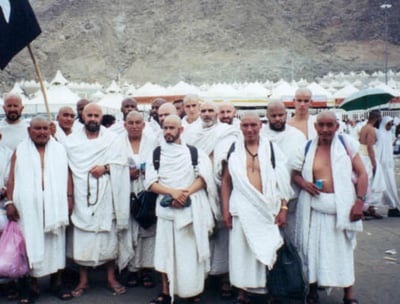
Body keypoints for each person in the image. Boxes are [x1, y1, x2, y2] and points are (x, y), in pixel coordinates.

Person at [292, 111, 368, 304]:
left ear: (336, 126)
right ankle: (312, 290)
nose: (325, 129)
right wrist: (304, 184)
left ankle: (348, 294)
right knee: (312, 250)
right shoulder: (307, 147)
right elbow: (294, 173)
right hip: (315, 208)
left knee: (343, 251)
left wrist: (359, 202)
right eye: (321, 125)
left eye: (329, 125)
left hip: (341, 209)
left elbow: (362, 174)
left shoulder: (347, 144)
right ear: (315, 127)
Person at [220, 112, 293, 304]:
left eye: (253, 125)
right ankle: (242, 293)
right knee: (241, 252)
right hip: (241, 209)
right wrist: (225, 211)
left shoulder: (273, 149)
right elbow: (226, 182)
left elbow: (283, 182)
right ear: (240, 127)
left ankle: (270, 291)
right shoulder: (233, 150)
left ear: (261, 125)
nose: (249, 129)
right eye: (245, 126)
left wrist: (284, 209)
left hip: (267, 209)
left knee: (269, 249)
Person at [145, 115, 217, 304]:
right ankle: (165, 291)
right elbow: (150, 182)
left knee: (189, 256)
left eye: (172, 128)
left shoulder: (194, 153)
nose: (168, 131)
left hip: (189, 211)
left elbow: (204, 178)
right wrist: (173, 193)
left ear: (181, 130)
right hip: (166, 211)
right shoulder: (156, 154)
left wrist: (184, 194)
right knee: (164, 254)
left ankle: (192, 291)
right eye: (165, 128)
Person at [66, 103, 130, 297]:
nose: (93, 118)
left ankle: (111, 278)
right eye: (89, 115)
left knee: (107, 236)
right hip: (81, 195)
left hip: (106, 195)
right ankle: (83, 280)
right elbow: (67, 169)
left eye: (96, 115)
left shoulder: (113, 139)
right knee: (82, 237)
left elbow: (122, 163)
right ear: (82, 117)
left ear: (101, 117)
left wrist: (106, 168)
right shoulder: (71, 141)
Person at [6, 116, 72, 302]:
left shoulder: (59, 149)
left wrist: (69, 197)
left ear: (50, 130)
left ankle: (57, 283)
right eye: (37, 128)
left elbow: (68, 175)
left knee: (56, 244)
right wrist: (9, 202)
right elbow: (11, 178)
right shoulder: (20, 150)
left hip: (55, 206)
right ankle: (32, 287)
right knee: (30, 243)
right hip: (27, 209)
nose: (42, 132)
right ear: (29, 131)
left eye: (45, 128)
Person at [184, 101, 240, 299]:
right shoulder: (190, 132)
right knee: (200, 231)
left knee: (223, 233)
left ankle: (225, 277)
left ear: (217, 114)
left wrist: (213, 164)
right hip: (197, 187)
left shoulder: (227, 132)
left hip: (220, 186)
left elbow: (228, 157)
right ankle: (203, 277)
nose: (207, 114)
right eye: (204, 111)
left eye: (211, 111)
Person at [261, 101, 307, 243]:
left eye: (281, 115)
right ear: (267, 116)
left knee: (290, 236)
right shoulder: (260, 135)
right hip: (266, 196)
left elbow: (303, 164)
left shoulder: (297, 136)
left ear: (286, 115)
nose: (277, 119)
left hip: (292, 194)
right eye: (273, 115)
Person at [123, 111, 158, 288]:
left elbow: (159, 163)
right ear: (125, 125)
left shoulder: (153, 142)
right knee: (129, 229)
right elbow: (112, 164)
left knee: (148, 229)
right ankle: (131, 269)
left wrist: (147, 173)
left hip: (147, 190)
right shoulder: (118, 143)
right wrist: (125, 173)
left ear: (144, 125)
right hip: (126, 190)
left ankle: (146, 270)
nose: (135, 126)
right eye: (131, 123)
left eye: (138, 122)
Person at [358, 109, 386, 219]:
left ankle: (369, 208)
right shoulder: (371, 130)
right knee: (369, 184)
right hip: (367, 159)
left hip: (363, 157)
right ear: (377, 118)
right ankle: (364, 209)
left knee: (368, 183)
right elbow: (370, 147)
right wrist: (374, 163)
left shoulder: (364, 127)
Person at [376, 116, 400, 217]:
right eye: (388, 124)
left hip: (389, 166)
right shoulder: (380, 134)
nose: (390, 126)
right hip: (382, 166)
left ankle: (394, 206)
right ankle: (392, 206)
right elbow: (379, 151)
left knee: (391, 187)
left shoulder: (388, 134)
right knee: (386, 187)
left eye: (391, 124)